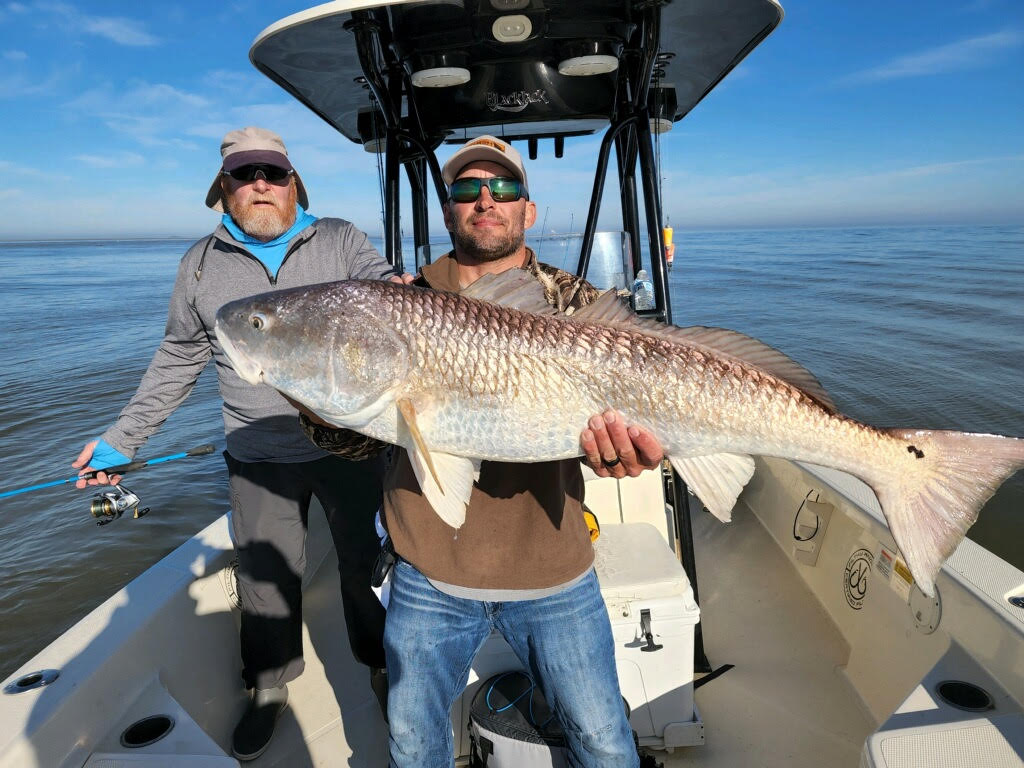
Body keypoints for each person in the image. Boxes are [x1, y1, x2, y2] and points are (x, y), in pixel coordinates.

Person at [301, 135, 666, 767]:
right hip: (429, 570)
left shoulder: (572, 304)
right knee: (414, 746)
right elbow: (350, 441)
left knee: (606, 744)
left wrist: (618, 455)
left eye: (503, 188)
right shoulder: (403, 300)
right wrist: (314, 395)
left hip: (555, 568)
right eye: (467, 189)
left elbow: (620, 423)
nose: (485, 199)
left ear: (528, 209)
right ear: (448, 211)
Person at [71, 126, 406, 762]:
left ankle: (381, 665)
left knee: (368, 565)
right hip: (258, 453)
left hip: (352, 444)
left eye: (272, 174)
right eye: (244, 174)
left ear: (293, 184)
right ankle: (270, 686)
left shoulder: (338, 239)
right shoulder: (199, 263)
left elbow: (390, 296)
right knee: (263, 580)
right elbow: (177, 356)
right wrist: (121, 439)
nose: (260, 184)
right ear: (222, 190)